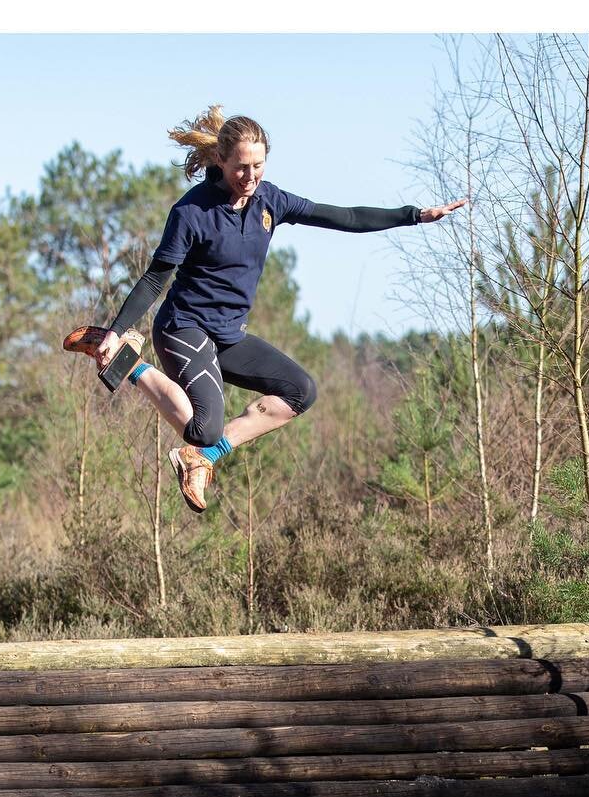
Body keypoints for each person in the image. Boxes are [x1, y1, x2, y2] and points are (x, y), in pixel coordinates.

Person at [64, 105, 465, 512]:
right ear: (220, 161)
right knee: (203, 427)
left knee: (299, 392)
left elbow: (341, 216)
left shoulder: (269, 201)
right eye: (241, 167)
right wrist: (117, 329)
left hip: (227, 335)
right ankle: (127, 362)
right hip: (182, 328)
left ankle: (203, 459)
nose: (250, 177)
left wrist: (413, 216)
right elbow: (154, 279)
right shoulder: (191, 212)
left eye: (258, 166)